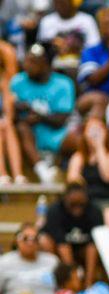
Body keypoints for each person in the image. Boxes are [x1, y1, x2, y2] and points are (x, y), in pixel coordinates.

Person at [10, 43, 75, 184]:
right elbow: (11, 118)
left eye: (32, 62)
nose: (26, 65)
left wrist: (36, 114)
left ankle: (75, 178)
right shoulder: (17, 81)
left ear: (45, 64)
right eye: (26, 60)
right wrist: (17, 110)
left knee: (78, 139)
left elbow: (60, 120)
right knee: (21, 127)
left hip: (56, 135)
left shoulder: (64, 83)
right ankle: (43, 172)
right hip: (28, 136)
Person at [66, 117, 109, 234]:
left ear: (106, 132)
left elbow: (108, 175)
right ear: (84, 134)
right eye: (91, 130)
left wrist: (99, 147)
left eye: (99, 129)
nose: (95, 134)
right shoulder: (79, 157)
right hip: (86, 204)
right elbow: (73, 182)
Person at [40, 182, 103, 286]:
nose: (77, 208)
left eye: (80, 204)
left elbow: (94, 244)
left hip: (84, 249)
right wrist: (73, 277)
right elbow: (61, 243)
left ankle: (90, 281)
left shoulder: (95, 211)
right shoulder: (54, 211)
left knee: (96, 245)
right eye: (73, 204)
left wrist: (88, 279)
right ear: (65, 199)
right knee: (44, 240)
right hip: (59, 250)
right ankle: (55, 279)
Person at [0, 222, 57, 294]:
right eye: (25, 238)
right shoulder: (4, 262)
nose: (30, 242)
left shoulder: (52, 262)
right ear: (17, 240)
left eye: (34, 239)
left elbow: (63, 292)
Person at [0, 40, 27, 185]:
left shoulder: (5, 81)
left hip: (4, 123)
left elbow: (8, 113)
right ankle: (2, 174)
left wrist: (6, 120)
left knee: (8, 126)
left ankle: (18, 175)